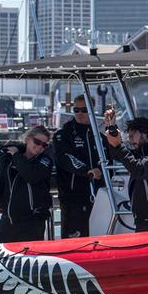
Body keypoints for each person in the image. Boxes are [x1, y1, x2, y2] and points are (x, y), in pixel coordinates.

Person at [0, 125, 54, 243]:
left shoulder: (45, 161)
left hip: (32, 222)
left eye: (44, 145)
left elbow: (31, 176)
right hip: (8, 221)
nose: (40, 146)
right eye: (37, 142)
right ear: (28, 139)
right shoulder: (8, 159)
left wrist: (16, 156)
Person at [52, 95, 107, 238]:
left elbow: (110, 161)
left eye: (84, 110)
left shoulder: (100, 137)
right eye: (76, 110)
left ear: (92, 110)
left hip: (99, 198)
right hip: (73, 199)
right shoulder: (62, 135)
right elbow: (65, 158)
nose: (80, 113)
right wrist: (87, 171)